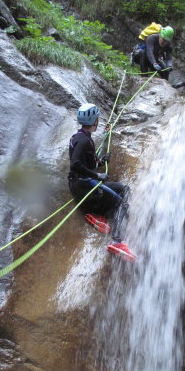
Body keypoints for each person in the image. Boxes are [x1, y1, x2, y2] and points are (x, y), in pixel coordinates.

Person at [68, 103, 136, 261]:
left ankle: (96, 215)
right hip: (87, 188)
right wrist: (97, 175)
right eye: (97, 118)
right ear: (94, 120)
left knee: (124, 188)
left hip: (80, 188)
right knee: (123, 204)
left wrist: (100, 162)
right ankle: (117, 241)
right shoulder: (84, 141)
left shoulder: (79, 137)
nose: (98, 121)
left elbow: (83, 162)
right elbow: (75, 164)